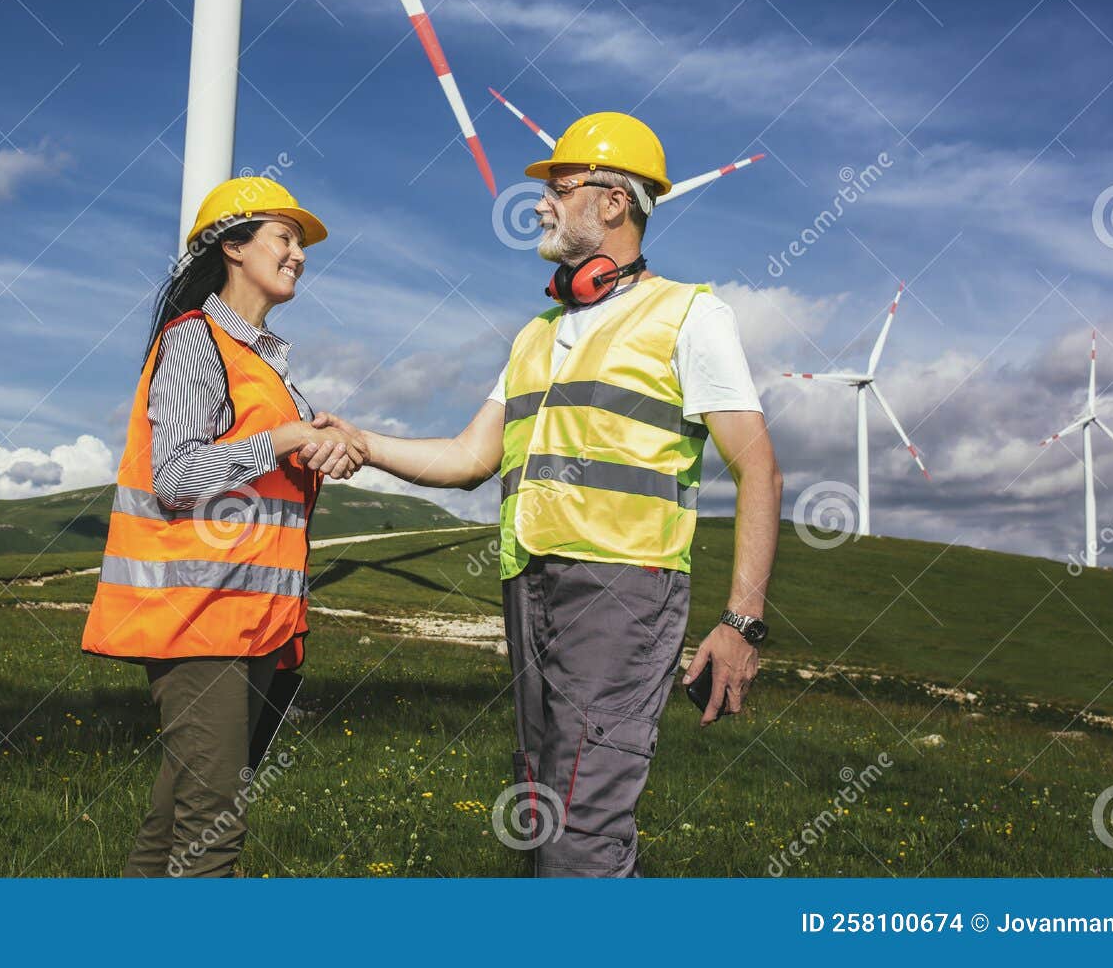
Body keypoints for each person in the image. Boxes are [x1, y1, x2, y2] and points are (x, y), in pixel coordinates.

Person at [313, 113, 783, 877]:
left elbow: (759, 467)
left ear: (613, 203)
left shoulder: (690, 315)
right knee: (546, 814)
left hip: (623, 587)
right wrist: (364, 442)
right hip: (528, 582)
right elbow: (470, 456)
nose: (539, 203)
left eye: (559, 188)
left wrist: (742, 622)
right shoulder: (536, 333)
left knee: (580, 826)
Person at [81, 176, 361, 878]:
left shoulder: (266, 364)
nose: (298, 253)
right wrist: (285, 437)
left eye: (300, 243)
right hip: (199, 621)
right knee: (212, 837)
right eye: (284, 237)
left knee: (170, 827)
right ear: (233, 246)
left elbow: (264, 473)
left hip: (253, 624)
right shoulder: (195, 343)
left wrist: (319, 447)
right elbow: (176, 475)